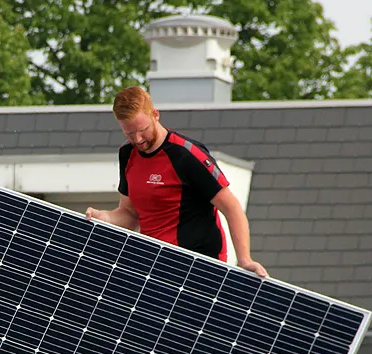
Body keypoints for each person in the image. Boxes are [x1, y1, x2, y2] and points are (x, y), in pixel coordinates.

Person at [87, 86, 267, 277]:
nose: (138, 139)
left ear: (155, 115)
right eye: (129, 133)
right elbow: (130, 214)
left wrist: (244, 259)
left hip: (199, 265)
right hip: (156, 263)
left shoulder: (186, 154)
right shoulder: (127, 154)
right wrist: (103, 217)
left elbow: (232, 207)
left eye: (142, 130)